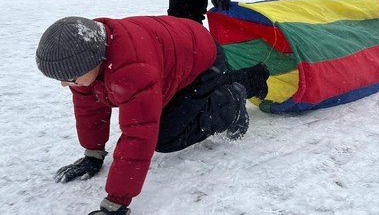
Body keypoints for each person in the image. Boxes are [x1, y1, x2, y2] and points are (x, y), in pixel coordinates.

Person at [36, 16, 269, 215]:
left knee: (166, 135)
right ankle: (248, 79)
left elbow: (139, 133)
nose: (65, 85)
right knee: (176, 110)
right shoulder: (88, 51)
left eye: (70, 79)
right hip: (171, 58)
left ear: (94, 61)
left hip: (201, 60)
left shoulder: (132, 70)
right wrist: (93, 154)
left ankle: (234, 99)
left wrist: (115, 202)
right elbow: (90, 107)